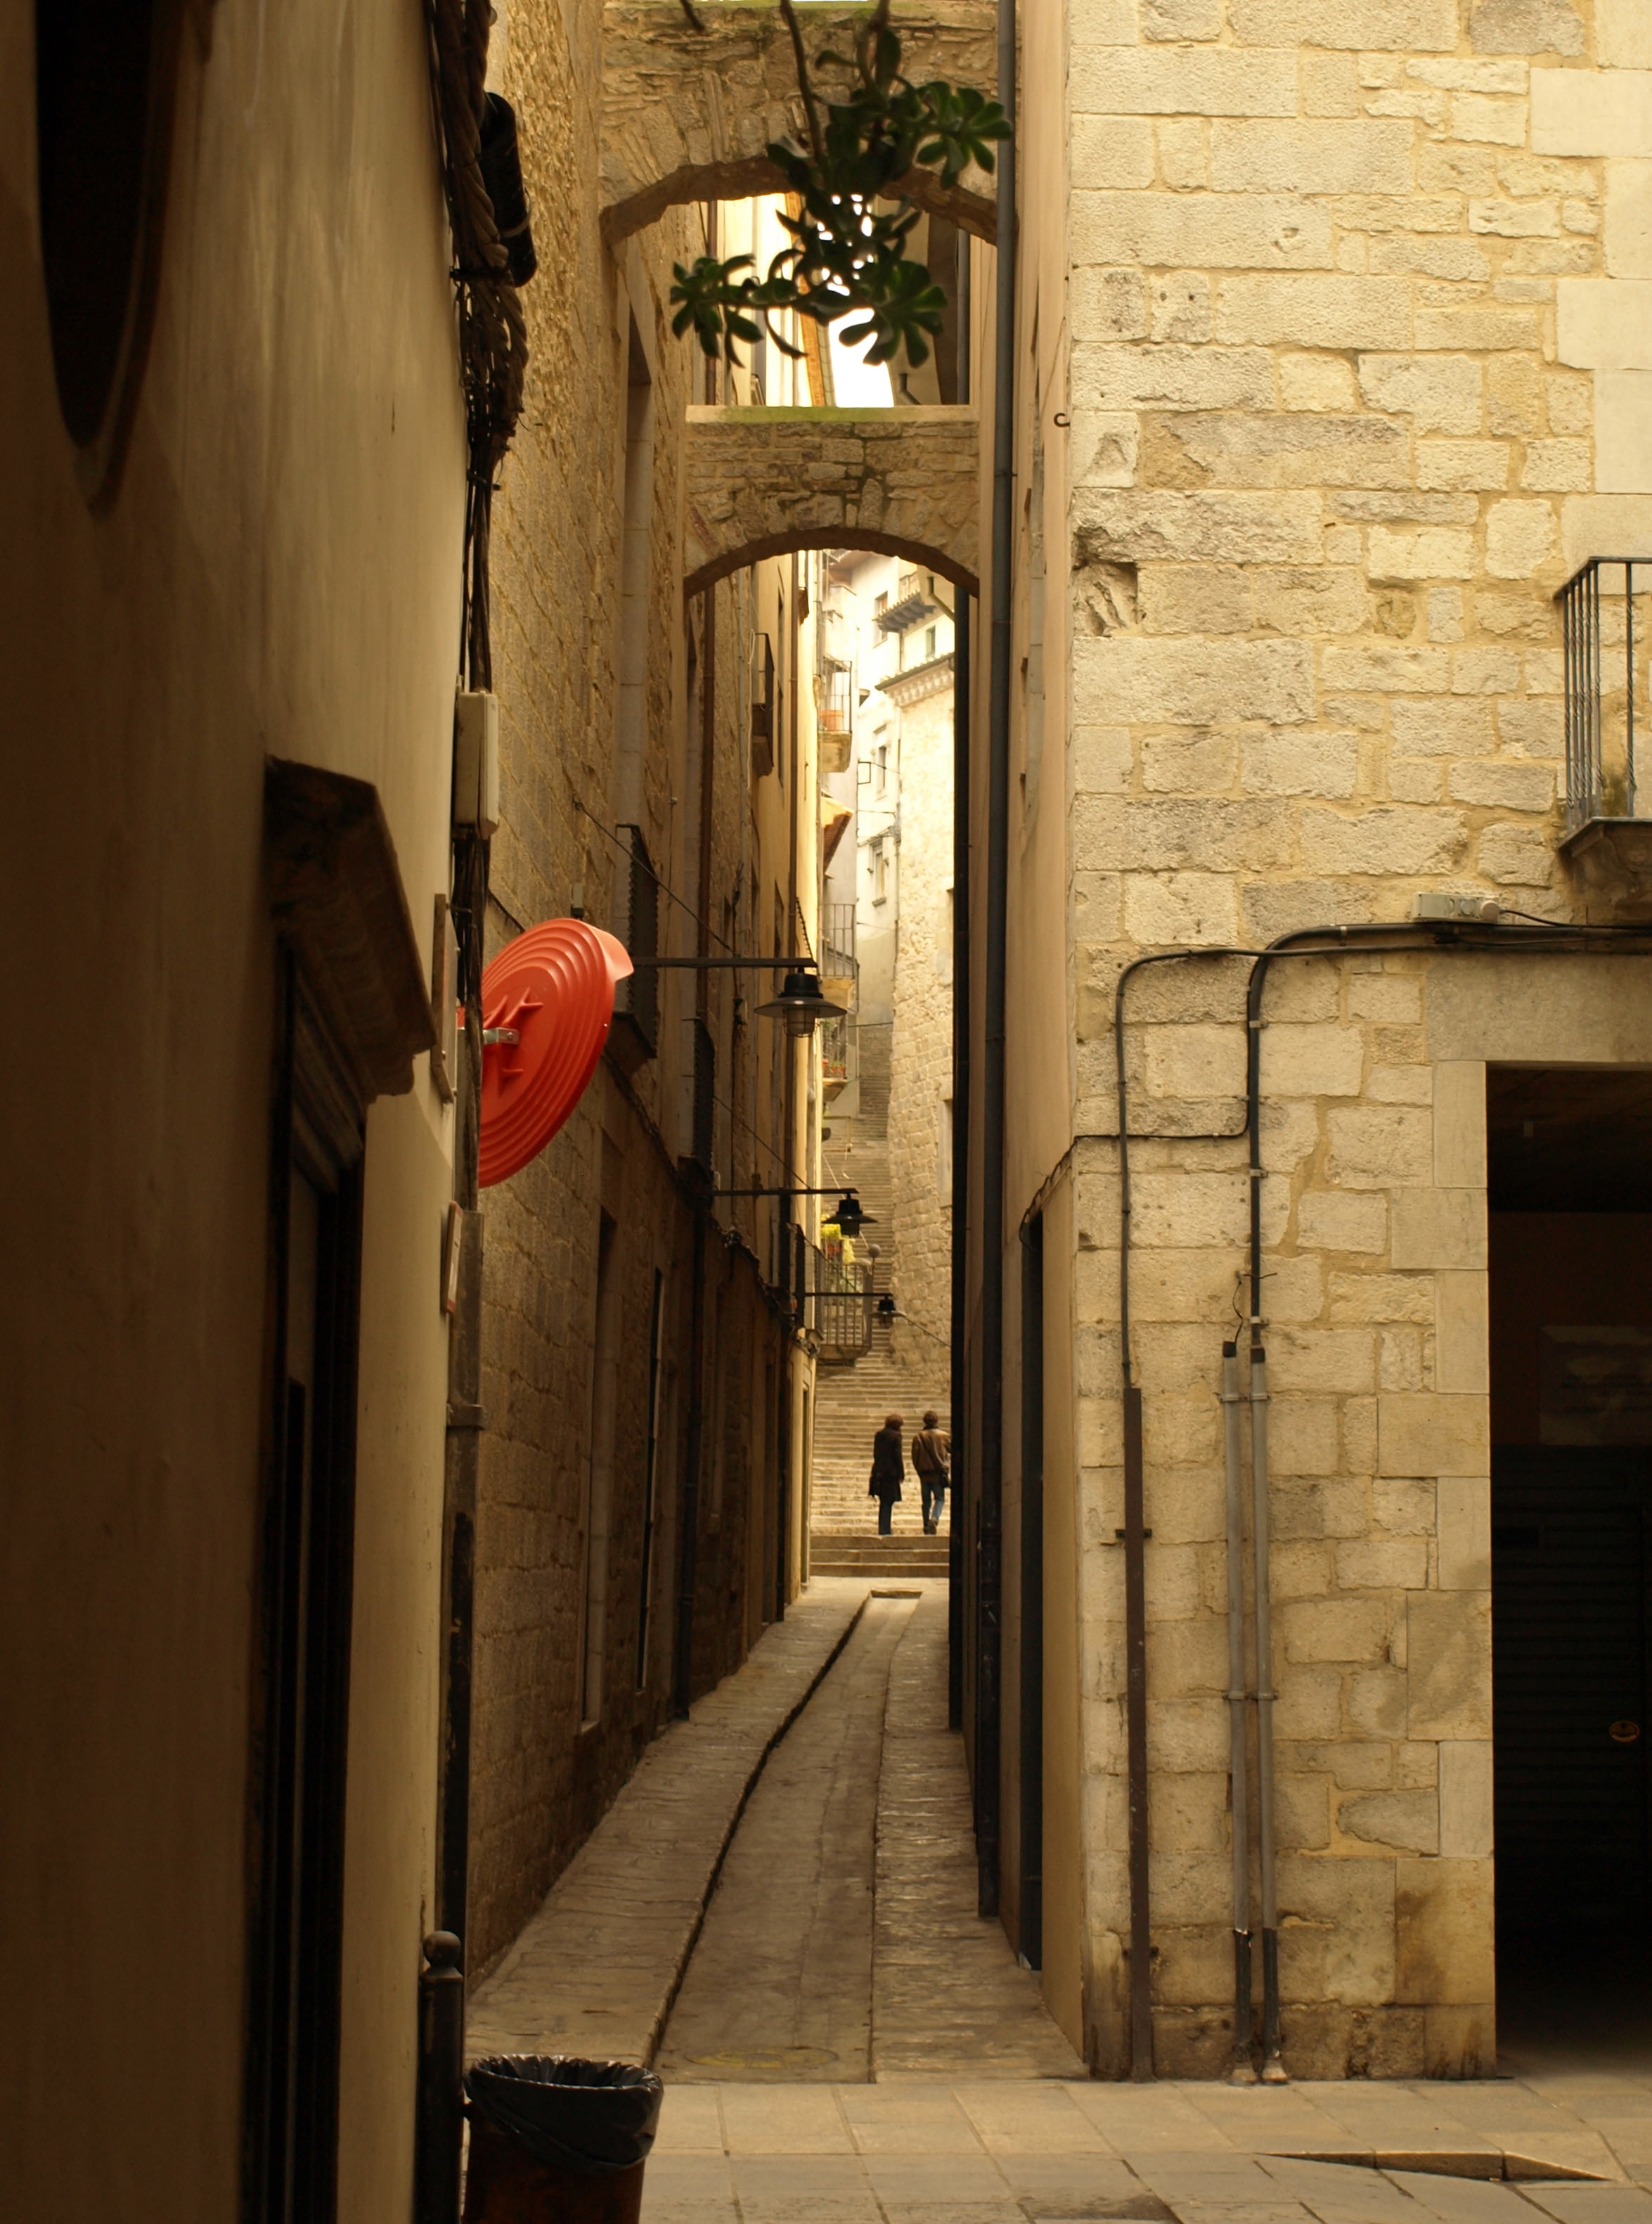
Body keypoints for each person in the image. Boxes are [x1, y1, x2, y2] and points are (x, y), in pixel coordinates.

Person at [912, 1410, 951, 1534]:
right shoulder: (944, 1436)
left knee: (926, 1501)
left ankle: (926, 1525)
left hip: (924, 1473)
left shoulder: (919, 1437)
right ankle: (934, 1518)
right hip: (938, 1472)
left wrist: (919, 1470)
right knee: (939, 1498)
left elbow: (915, 1456)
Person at [868, 1413, 905, 1536]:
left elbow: (876, 1453)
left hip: (879, 1471)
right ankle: (885, 1529)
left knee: (884, 1500)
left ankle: (884, 1527)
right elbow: (897, 1455)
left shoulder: (879, 1435)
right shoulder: (896, 1437)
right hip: (891, 1473)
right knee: (888, 1501)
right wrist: (901, 1473)